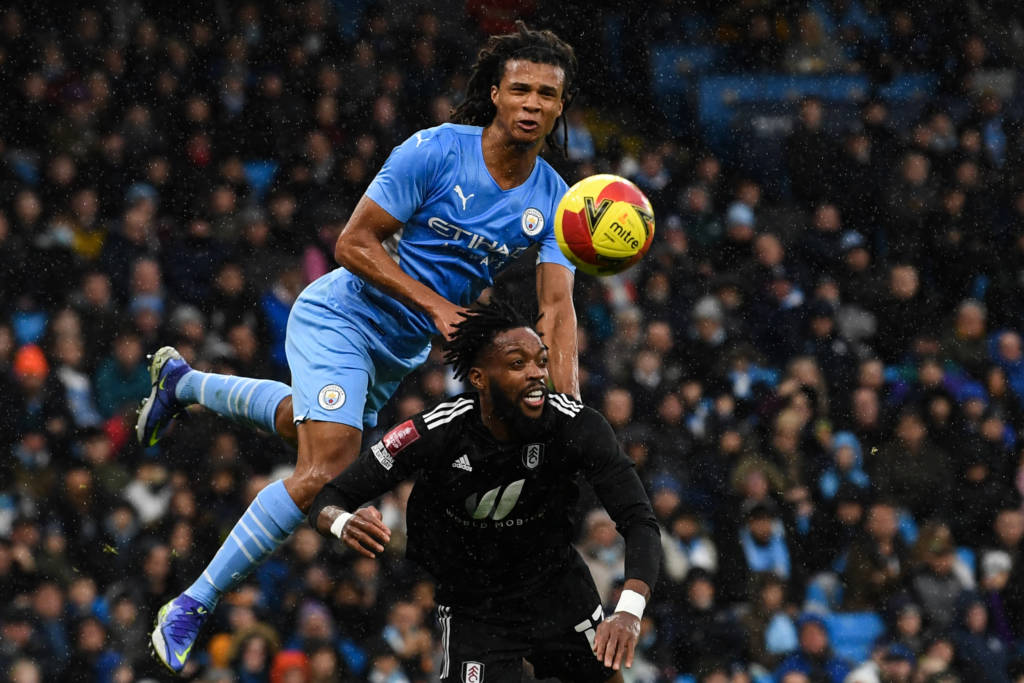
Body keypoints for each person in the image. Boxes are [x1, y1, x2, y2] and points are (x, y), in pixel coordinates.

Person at [144, 23, 581, 673]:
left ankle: (183, 383)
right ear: (495, 93)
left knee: (300, 423)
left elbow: (557, 309)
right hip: (341, 317)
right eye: (520, 89)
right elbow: (352, 243)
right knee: (325, 469)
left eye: (547, 94)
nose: (532, 104)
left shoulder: (555, 199)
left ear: (560, 106)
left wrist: (568, 409)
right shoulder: (434, 152)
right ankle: (192, 603)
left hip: (395, 353)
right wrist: (436, 306)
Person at [307, 298, 660, 680]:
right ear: (478, 379)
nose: (536, 373)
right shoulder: (435, 432)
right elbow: (328, 498)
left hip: (557, 589)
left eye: (541, 361)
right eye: (517, 364)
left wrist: (628, 611)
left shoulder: (577, 426)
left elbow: (639, 521)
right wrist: (343, 522)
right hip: (474, 606)